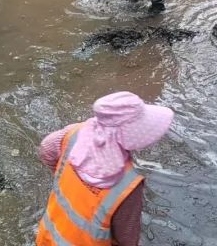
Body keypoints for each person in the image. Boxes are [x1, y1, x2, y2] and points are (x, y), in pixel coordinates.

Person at [36, 91, 174, 246]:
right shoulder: (127, 186)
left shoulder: (73, 134)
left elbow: (46, 149)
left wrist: (61, 176)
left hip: (47, 236)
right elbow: (127, 240)